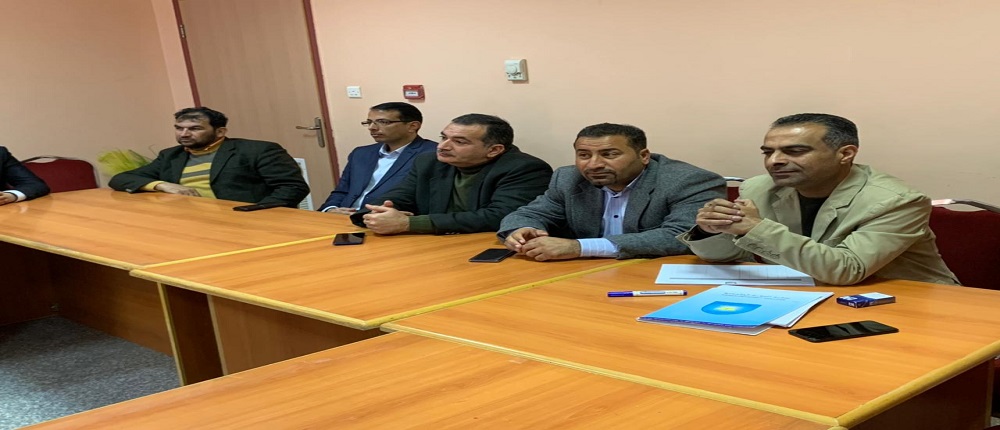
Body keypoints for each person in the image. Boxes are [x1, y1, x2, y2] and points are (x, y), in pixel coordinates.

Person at [679, 113, 957, 286]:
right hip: (807, 295)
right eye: (768, 152)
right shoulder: (758, 188)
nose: (775, 161)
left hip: (906, 302)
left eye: (795, 151)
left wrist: (755, 228)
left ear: (845, 154)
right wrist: (711, 231)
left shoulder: (898, 200)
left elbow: (847, 269)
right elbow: (736, 258)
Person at [499, 123, 726, 260]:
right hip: (583, 275)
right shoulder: (568, 178)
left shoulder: (688, 181)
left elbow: (681, 237)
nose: (594, 164)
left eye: (609, 154)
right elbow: (529, 214)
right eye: (584, 155)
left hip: (652, 275)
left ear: (643, 156)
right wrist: (521, 230)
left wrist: (579, 247)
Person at [350, 113, 552, 235]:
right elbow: (400, 195)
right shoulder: (429, 162)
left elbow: (499, 216)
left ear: (494, 150)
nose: (443, 146)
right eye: (443, 137)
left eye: (459, 142)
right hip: (436, 246)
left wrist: (409, 224)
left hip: (484, 247)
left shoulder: (525, 168)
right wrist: (376, 213)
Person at [109, 107, 309, 207]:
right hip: (191, 221)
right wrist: (163, 185)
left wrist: (255, 213)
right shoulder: (171, 155)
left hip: (245, 222)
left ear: (220, 132)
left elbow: (293, 188)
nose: (184, 134)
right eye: (179, 128)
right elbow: (120, 179)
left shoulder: (257, 150)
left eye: (194, 129)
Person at [319, 102, 437, 215]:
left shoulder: (432, 155)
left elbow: (427, 201)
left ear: (412, 126)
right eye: (369, 122)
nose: (372, 128)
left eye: (383, 122)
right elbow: (341, 191)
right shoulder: (360, 153)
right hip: (341, 217)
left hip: (386, 220)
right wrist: (330, 209)